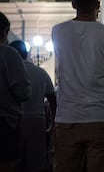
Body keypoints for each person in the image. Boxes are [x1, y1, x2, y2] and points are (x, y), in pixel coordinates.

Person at [52, 0, 104, 172]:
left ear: (73, 4)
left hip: (67, 118)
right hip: (101, 117)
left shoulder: (58, 32)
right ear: (98, 4)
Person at [9, 39, 56, 172]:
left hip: (14, 121)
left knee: (14, 160)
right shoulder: (41, 72)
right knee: (36, 161)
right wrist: (53, 123)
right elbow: (52, 99)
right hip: (37, 121)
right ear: (27, 53)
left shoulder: (10, 71)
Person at [0, 12, 31, 172]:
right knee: (7, 163)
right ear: (5, 32)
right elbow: (23, 92)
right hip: (6, 122)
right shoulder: (10, 54)